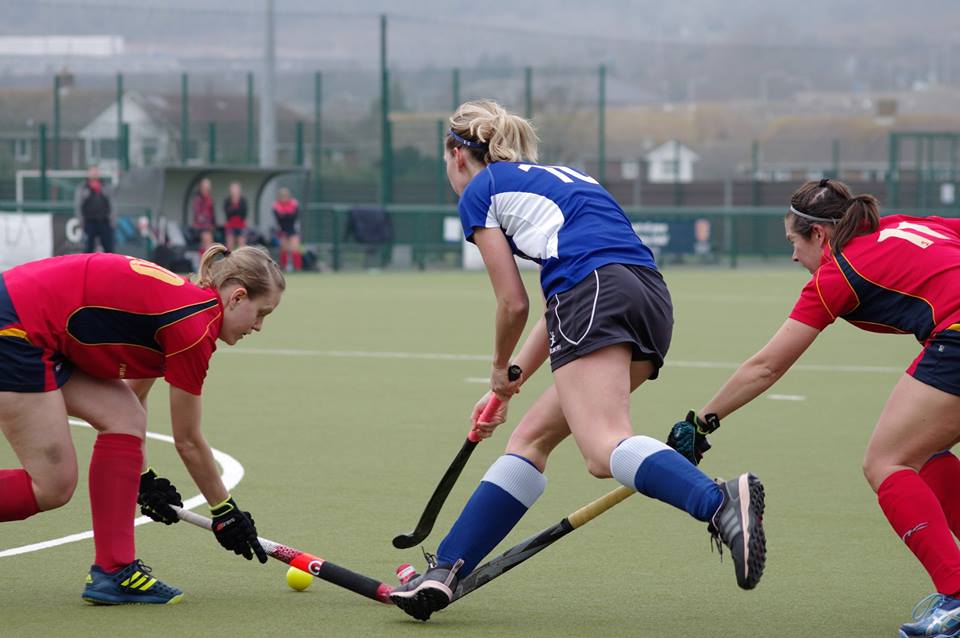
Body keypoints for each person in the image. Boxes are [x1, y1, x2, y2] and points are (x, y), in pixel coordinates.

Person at [389, 100, 767, 621]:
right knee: (538, 440)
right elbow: (561, 300)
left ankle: (719, 501)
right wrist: (506, 390)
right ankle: (447, 570)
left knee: (604, 440)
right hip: (648, 300)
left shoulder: (480, 191)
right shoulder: (563, 178)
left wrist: (497, 367)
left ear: (456, 154)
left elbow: (514, 303)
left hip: (594, 295)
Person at [667, 178, 960, 638]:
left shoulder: (837, 274)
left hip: (956, 334)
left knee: (887, 461)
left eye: (794, 242)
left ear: (819, 236)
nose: (793, 256)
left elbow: (766, 366)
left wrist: (701, 422)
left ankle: (957, 597)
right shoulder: (907, 226)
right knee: (923, 453)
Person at [0, 245, 285, 605]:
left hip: (36, 325)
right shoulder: (195, 327)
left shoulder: (187, 308)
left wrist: (141, 475)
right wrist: (224, 511)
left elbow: (131, 402)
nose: (259, 326)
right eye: (261, 313)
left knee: (125, 417)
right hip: (17, 329)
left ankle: (113, 571)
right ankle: (113, 571)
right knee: (53, 486)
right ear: (238, 296)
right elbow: (188, 441)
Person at [75, 165, 114, 253]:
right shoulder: (83, 187)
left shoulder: (105, 186)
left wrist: (112, 220)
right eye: (92, 171)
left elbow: (112, 203)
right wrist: (81, 221)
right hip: (89, 222)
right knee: (88, 249)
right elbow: (78, 205)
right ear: (88, 173)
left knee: (108, 248)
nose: (94, 173)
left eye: (96, 171)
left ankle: (110, 266)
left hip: (104, 221)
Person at [272, 187, 302, 272]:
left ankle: (298, 268)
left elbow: (293, 217)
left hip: (292, 229)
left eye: (285, 195)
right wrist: (287, 215)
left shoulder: (293, 203)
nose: (284, 197)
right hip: (283, 229)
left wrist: (284, 215)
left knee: (295, 248)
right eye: (282, 196)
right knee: (283, 249)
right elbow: (279, 218)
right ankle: (283, 268)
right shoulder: (276, 205)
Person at [192, 178, 216, 255]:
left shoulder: (209, 198)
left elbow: (212, 213)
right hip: (201, 226)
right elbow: (198, 215)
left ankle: (205, 260)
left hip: (208, 226)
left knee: (207, 245)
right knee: (208, 244)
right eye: (205, 187)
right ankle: (205, 261)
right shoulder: (198, 199)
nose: (207, 189)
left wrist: (213, 224)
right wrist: (205, 223)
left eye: (208, 187)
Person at [223, 182, 248, 251]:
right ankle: (230, 261)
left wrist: (234, 209)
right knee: (229, 246)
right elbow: (228, 213)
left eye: (236, 189)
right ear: (230, 190)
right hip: (230, 225)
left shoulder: (243, 201)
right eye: (233, 189)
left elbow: (243, 213)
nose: (235, 191)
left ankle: (241, 261)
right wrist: (235, 209)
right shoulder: (227, 201)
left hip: (241, 225)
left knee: (242, 247)